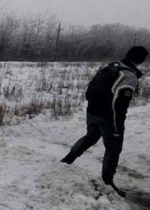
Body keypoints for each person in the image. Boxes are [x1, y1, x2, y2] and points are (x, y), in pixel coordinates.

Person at [61, 46, 148, 197]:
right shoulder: (129, 75)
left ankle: (68, 160)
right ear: (140, 59)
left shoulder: (111, 66)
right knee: (113, 147)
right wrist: (116, 126)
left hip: (92, 111)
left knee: (90, 137)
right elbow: (119, 104)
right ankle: (108, 181)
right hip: (108, 116)